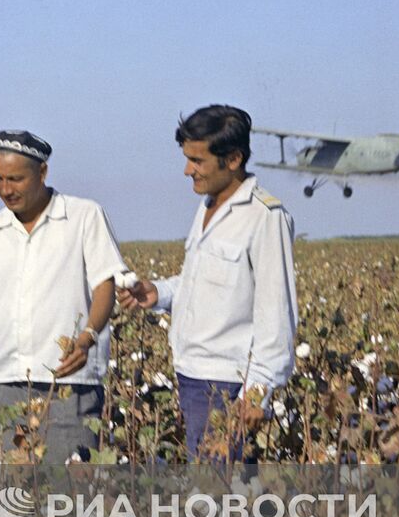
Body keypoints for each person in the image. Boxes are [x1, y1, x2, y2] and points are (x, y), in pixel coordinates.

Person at [117, 105, 298, 460]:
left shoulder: (265, 217)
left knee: (222, 499)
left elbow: (277, 311)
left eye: (197, 161)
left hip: (230, 387)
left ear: (233, 159)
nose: (188, 170)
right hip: (192, 376)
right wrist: (159, 293)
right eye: (187, 159)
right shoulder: (208, 205)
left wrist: (257, 392)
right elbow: (203, 282)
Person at [0, 130, 128, 463]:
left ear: (42, 173)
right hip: (5, 384)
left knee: (70, 498)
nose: (6, 189)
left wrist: (86, 338)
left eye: (15, 179)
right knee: (6, 503)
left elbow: (105, 288)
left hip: (69, 383)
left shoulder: (84, 216)